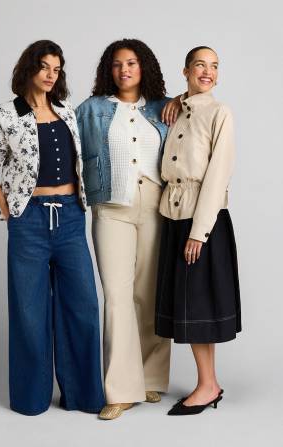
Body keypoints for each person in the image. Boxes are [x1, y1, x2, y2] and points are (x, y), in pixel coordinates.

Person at [0, 40, 105, 416]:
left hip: (69, 218)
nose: (52, 75)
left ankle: (83, 395)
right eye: (45, 67)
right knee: (29, 312)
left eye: (57, 68)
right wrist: (10, 211)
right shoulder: (3, 115)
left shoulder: (68, 113)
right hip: (29, 221)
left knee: (83, 306)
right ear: (29, 69)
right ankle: (31, 400)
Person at [75, 38, 181, 420]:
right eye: (117, 64)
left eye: (132, 63)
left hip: (155, 204)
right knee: (117, 296)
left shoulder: (164, 108)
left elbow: (194, 110)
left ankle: (151, 377)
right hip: (111, 206)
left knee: (149, 293)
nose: (124, 70)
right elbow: (69, 149)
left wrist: (179, 99)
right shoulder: (90, 110)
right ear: (108, 69)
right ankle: (119, 389)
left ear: (144, 67)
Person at [155, 46, 241, 415]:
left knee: (200, 303)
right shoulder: (176, 109)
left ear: (218, 75)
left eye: (214, 67)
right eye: (200, 65)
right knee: (189, 305)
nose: (208, 72)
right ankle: (209, 382)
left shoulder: (220, 112)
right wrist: (177, 98)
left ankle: (207, 385)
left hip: (201, 219)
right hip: (173, 216)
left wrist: (199, 232)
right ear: (186, 70)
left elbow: (218, 173)